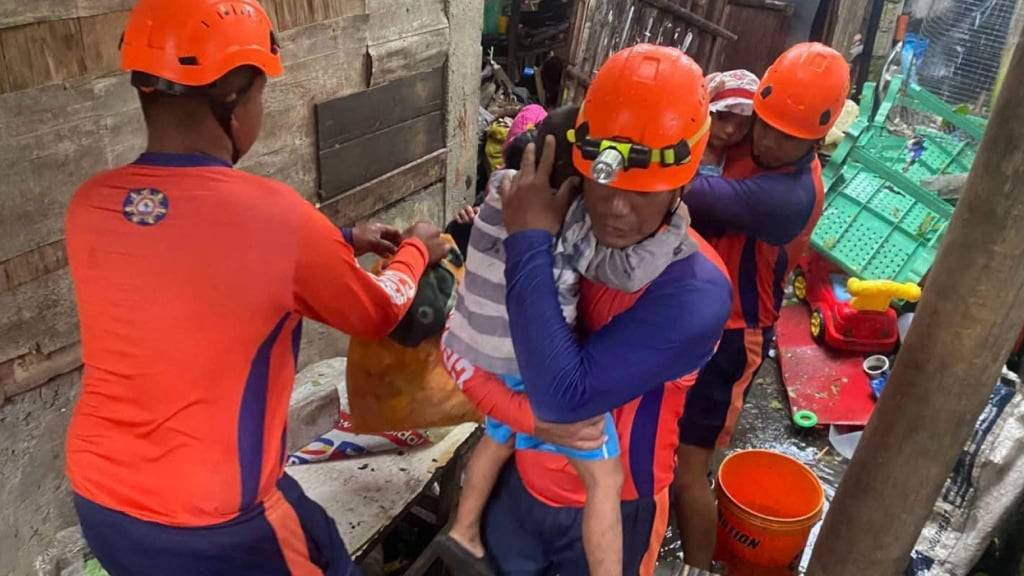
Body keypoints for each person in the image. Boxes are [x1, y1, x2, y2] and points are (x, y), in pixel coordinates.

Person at [63, 1, 449, 574]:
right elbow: (381, 312)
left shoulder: (91, 206)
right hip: (215, 518)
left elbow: (191, 256)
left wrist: (340, 238)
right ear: (233, 98)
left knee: (314, 529)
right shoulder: (276, 218)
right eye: (261, 93)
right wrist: (419, 247)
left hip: (100, 499)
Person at [444, 44, 733, 576]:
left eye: (644, 191)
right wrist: (519, 417)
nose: (617, 206)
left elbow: (562, 398)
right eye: (604, 180)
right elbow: (461, 350)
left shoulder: (694, 290)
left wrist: (528, 238)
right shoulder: (563, 234)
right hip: (522, 484)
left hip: (616, 510)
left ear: (686, 177)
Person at [672, 42, 850, 570]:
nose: (767, 140)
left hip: (734, 333)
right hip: (692, 312)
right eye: (764, 124)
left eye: (786, 136)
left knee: (689, 468)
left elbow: (690, 190)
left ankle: (698, 566)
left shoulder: (788, 196)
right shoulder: (758, 132)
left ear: (817, 139)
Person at [700, 70, 760, 176]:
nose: (730, 130)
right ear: (707, 111)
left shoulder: (740, 159)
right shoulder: (684, 146)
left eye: (742, 125)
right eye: (723, 117)